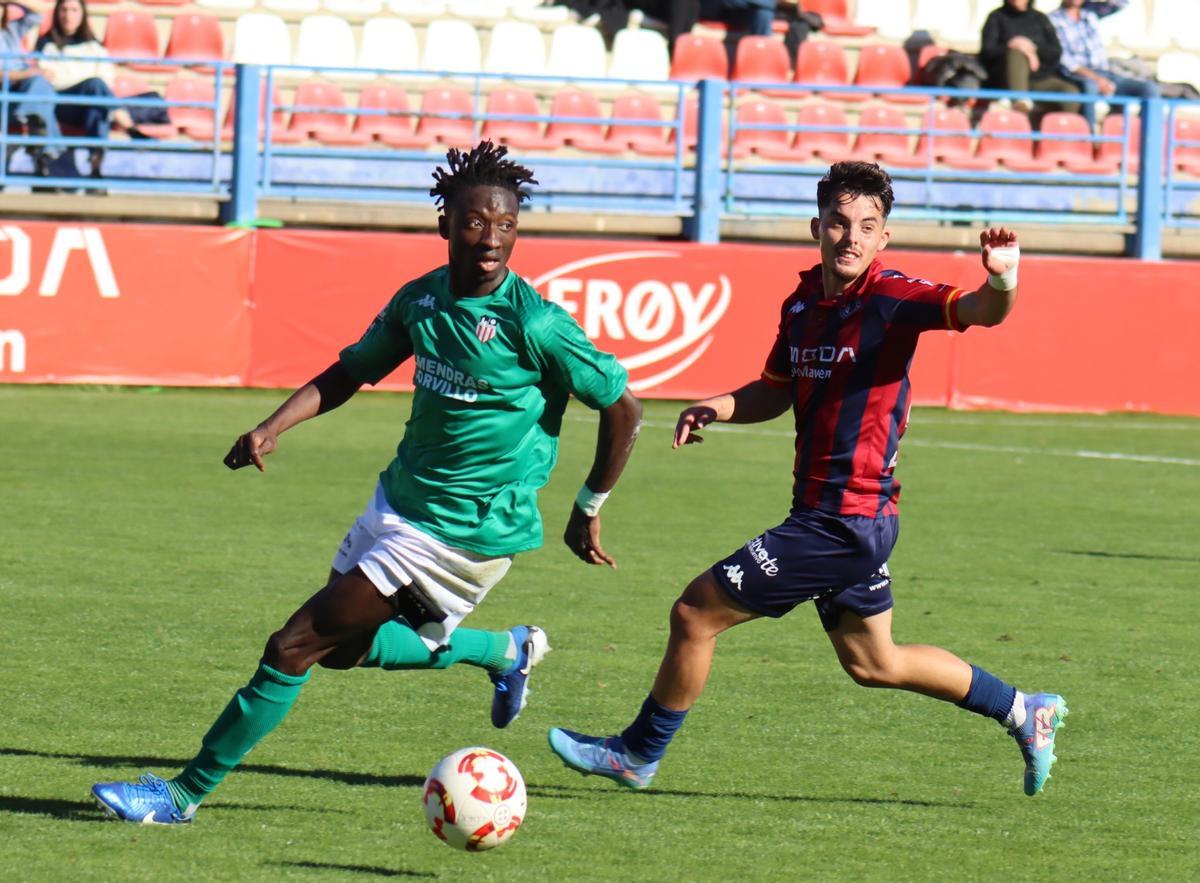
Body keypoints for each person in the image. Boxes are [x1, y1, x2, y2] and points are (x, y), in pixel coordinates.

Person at [90, 141, 644, 825]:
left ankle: (180, 795)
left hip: (462, 532)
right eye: (475, 221)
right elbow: (350, 372)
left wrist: (588, 505)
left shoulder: (536, 324)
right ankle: (505, 650)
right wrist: (272, 426)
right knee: (343, 651)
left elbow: (624, 407)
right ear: (445, 225)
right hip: (398, 501)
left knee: (293, 645)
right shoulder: (422, 301)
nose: (491, 238)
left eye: (506, 224)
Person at [548, 161, 1069, 799]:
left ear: (884, 237)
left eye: (867, 227)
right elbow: (775, 391)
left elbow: (984, 310)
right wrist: (718, 406)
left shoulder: (892, 298)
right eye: (840, 223)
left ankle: (637, 754)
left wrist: (1003, 276)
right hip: (838, 518)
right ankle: (1023, 710)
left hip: (843, 522)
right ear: (817, 227)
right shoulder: (801, 306)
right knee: (875, 662)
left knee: (694, 613)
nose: (852, 237)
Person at [34, 0, 140, 178]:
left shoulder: (94, 46)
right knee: (95, 86)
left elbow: (107, 78)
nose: (68, 15)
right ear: (57, 13)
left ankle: (96, 167)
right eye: (64, 10)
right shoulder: (46, 45)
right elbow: (52, 81)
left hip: (87, 106)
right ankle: (126, 122)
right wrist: (85, 82)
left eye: (74, 10)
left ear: (82, 15)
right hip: (59, 105)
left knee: (98, 107)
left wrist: (83, 82)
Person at [1049, 0, 1158, 128]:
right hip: (1078, 75)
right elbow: (1065, 60)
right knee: (1090, 87)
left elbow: (1121, 3)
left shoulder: (1090, 13)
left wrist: (1101, 79)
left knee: (1150, 89)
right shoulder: (1052, 20)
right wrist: (1096, 79)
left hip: (1105, 73)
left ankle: (1143, 133)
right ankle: (1089, 133)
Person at [980, 0, 1081, 115]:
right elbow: (988, 51)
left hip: (1038, 78)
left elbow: (1055, 52)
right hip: (1005, 81)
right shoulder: (996, 17)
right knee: (1016, 54)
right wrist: (1013, 46)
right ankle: (1020, 102)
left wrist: (1032, 48)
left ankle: (1064, 125)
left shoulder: (1040, 18)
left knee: (1070, 92)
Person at [1, 0, 62, 177]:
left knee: (41, 86)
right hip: (7, 93)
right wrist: (32, 72)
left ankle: (36, 128)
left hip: (23, 88)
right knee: (40, 84)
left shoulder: (10, 31)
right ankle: (46, 149)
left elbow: (39, 12)